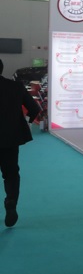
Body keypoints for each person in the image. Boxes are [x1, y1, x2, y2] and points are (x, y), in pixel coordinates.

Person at [0, 59, 42, 227]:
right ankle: (11, 202)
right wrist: (27, 121)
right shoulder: (16, 86)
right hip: (10, 138)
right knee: (11, 173)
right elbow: (34, 109)